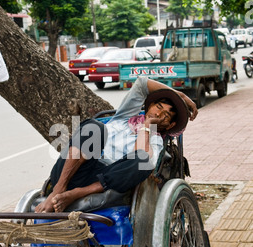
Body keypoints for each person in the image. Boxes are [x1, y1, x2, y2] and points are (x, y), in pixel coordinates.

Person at [35, 76, 198, 213]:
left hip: (103, 181)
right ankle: (58, 189)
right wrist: (180, 95)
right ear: (150, 106)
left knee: (143, 160)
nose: (158, 113)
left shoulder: (155, 140)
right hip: (73, 170)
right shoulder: (124, 117)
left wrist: (147, 126)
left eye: (166, 115)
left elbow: (139, 157)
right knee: (94, 127)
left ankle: (76, 193)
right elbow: (142, 83)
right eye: (158, 107)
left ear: (169, 125)